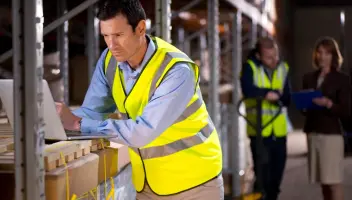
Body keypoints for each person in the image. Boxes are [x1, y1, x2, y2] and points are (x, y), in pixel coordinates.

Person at [55, 0, 224, 199]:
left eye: (118, 35)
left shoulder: (176, 71)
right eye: (106, 36)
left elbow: (143, 132)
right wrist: (56, 121)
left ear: (141, 28)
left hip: (195, 184)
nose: (112, 45)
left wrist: (78, 123)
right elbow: (92, 112)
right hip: (148, 185)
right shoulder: (109, 60)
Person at [240, 37, 291, 200]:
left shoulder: (283, 68)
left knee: (276, 177)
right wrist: (266, 93)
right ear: (259, 56)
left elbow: (288, 97)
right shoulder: (250, 68)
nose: (274, 60)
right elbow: (248, 89)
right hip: (259, 132)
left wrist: (278, 97)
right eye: (269, 57)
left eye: (275, 55)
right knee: (263, 177)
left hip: (279, 132)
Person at [301, 36, 350, 200]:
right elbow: (305, 110)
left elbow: (346, 110)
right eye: (319, 53)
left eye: (327, 53)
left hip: (332, 135)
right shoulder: (309, 78)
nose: (322, 57)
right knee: (323, 181)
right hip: (313, 132)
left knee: (333, 182)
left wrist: (329, 104)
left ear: (334, 56)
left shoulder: (342, 80)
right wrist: (304, 104)